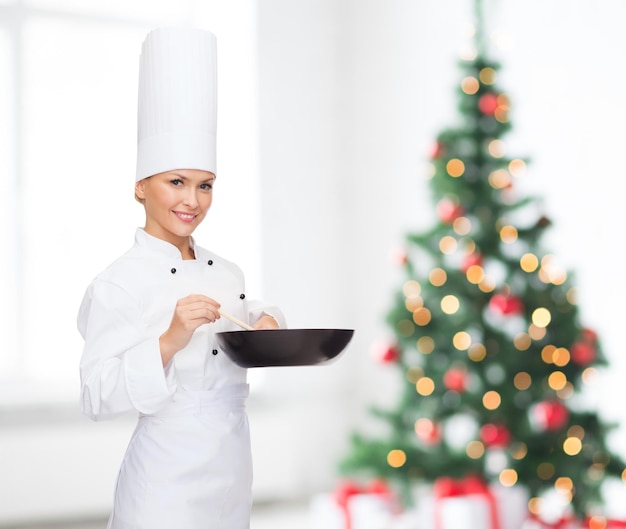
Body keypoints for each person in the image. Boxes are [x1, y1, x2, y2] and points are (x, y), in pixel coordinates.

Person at [77, 26, 285, 529]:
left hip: (233, 466)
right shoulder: (117, 283)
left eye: (205, 186)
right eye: (176, 182)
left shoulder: (227, 269)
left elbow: (242, 315)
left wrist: (267, 322)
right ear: (140, 187)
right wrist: (170, 339)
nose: (192, 201)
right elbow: (96, 396)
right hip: (165, 479)